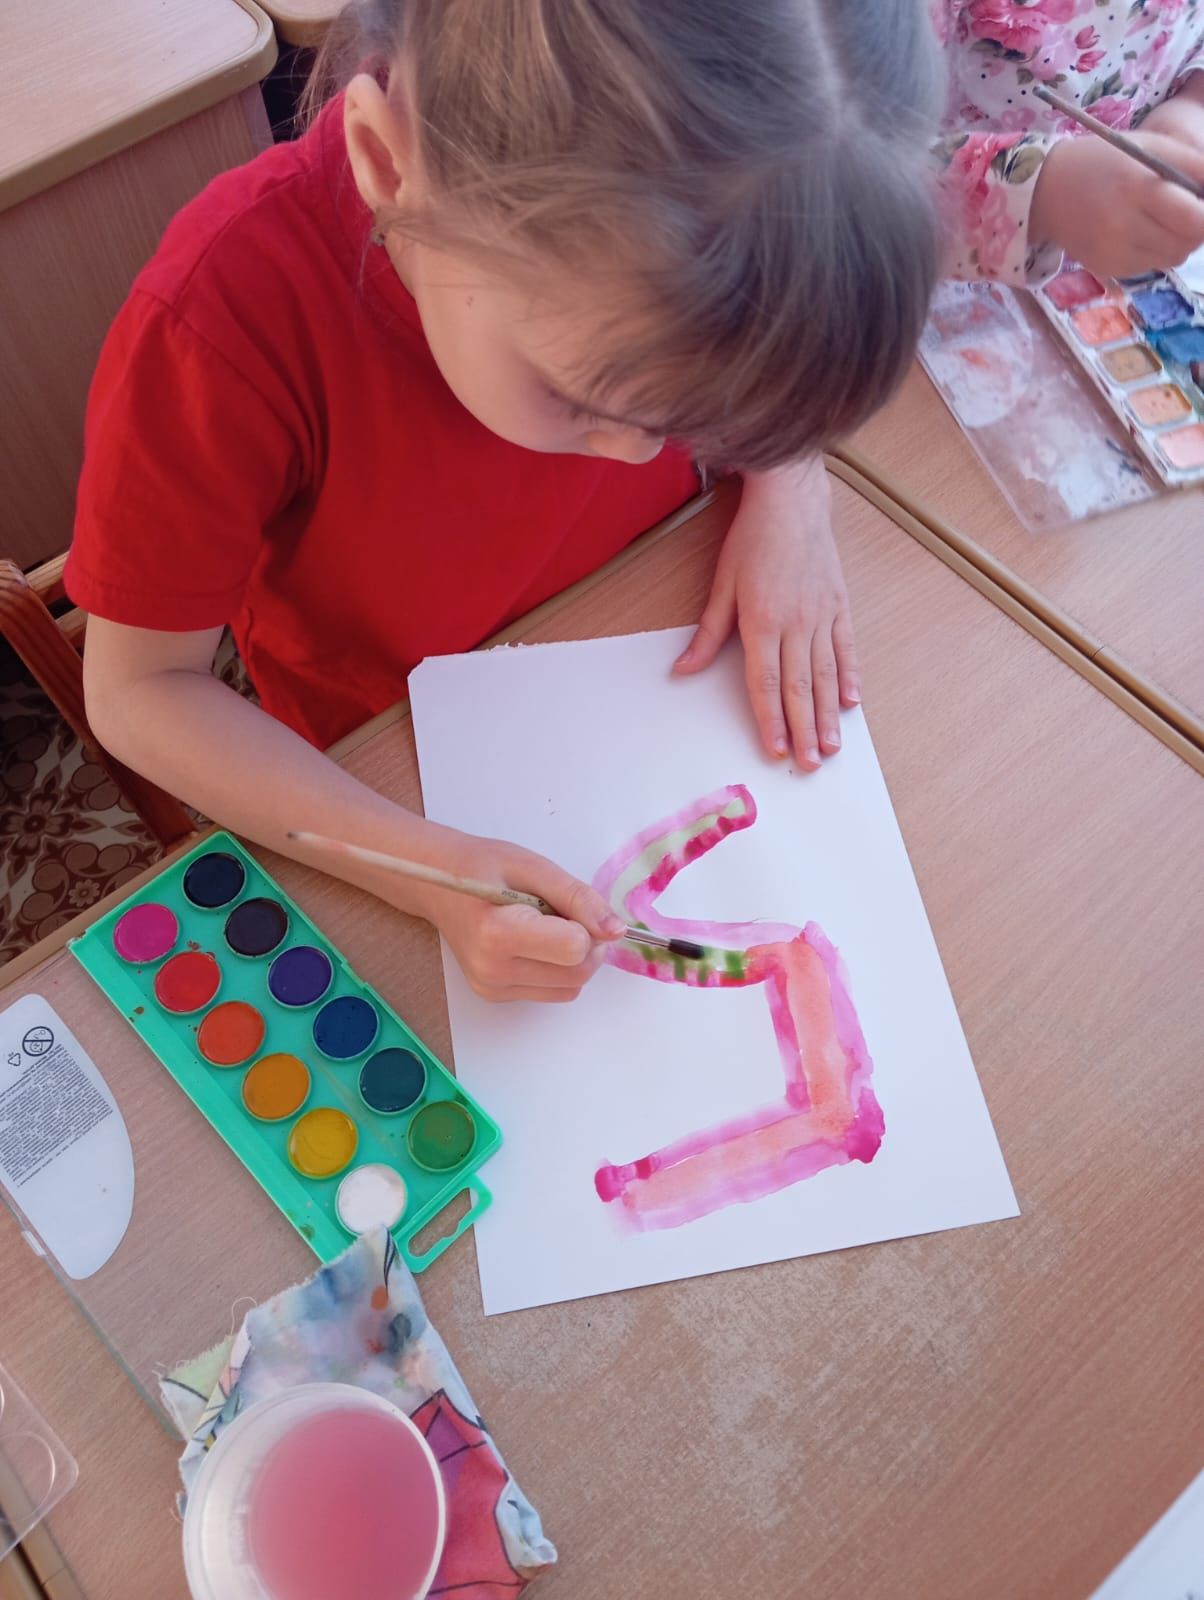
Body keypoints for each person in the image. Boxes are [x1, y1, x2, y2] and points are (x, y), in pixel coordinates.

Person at [67, 0, 940, 1004]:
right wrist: (425, 872)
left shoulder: (697, 224)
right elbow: (139, 693)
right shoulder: (216, 326)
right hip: (388, 763)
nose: (645, 451)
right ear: (387, 164)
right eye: (584, 400)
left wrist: (790, 483)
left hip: (640, 669)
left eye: (699, 417)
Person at [936, 0, 1204, 282]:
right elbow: (899, 176)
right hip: (940, 251)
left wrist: (1192, 106)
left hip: (1093, 265)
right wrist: (1044, 199)